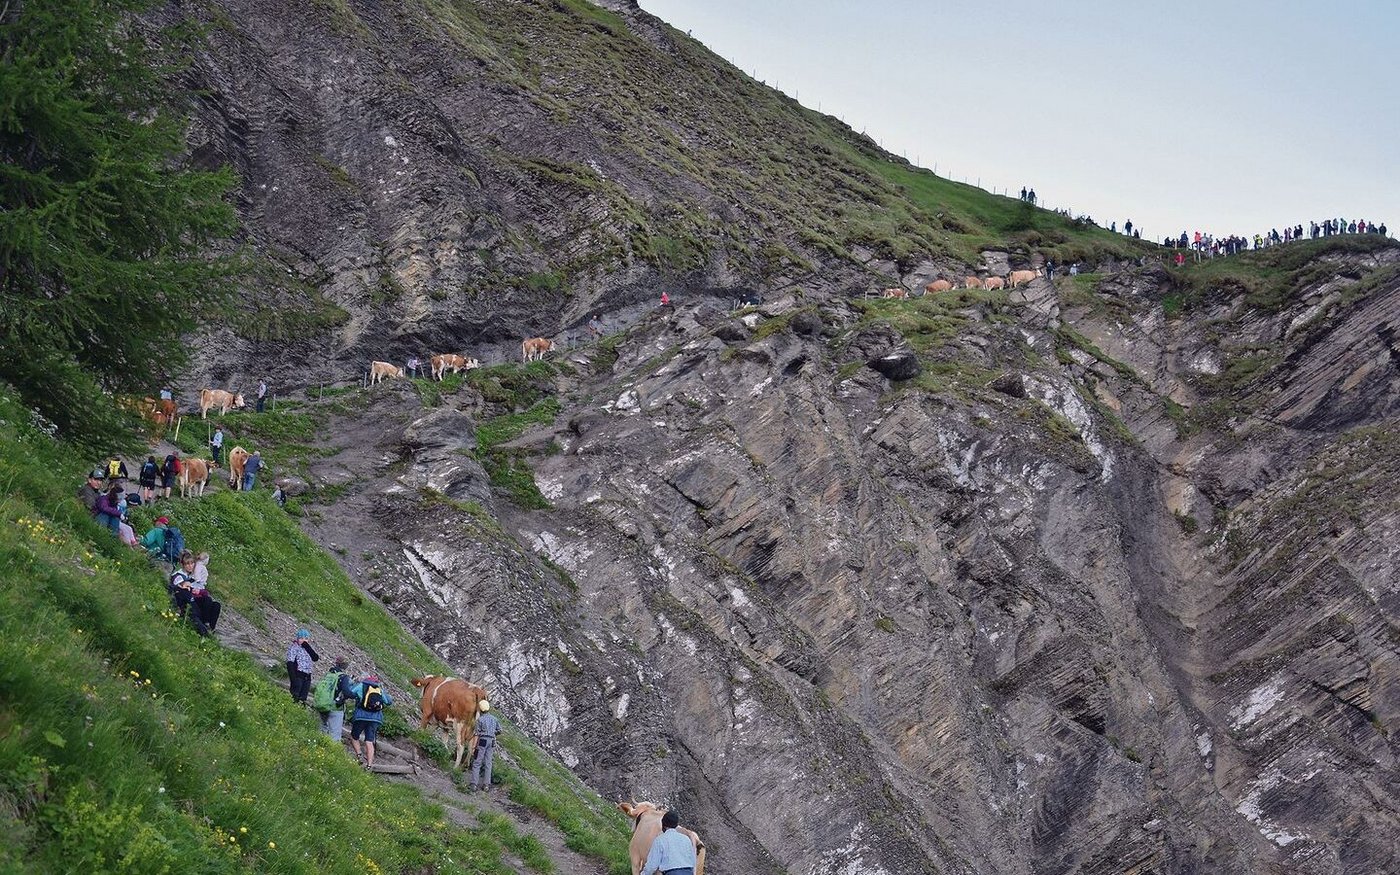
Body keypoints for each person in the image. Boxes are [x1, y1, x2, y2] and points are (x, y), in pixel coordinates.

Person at [347, 673, 393, 769]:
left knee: (354, 736)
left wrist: (351, 684)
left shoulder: (361, 686)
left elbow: (350, 692)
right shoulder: (378, 689)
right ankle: (369, 765)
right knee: (369, 741)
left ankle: (359, 755)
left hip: (361, 716)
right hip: (375, 719)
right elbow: (388, 701)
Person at [313, 656, 355, 741]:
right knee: (334, 734)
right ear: (345, 665)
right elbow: (346, 692)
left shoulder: (328, 674)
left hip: (323, 704)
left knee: (322, 729)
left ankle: (319, 746)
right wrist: (354, 695)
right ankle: (332, 751)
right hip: (335, 707)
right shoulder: (343, 677)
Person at [642, 810, 697, 875]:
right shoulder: (686, 839)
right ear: (676, 824)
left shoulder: (660, 840)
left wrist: (644, 873)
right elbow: (693, 862)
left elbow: (651, 866)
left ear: (663, 824)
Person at [469, 700, 501, 792]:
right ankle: (486, 785)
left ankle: (474, 784)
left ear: (480, 709)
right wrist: (493, 733)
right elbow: (499, 730)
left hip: (482, 740)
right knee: (488, 763)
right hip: (491, 741)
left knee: (477, 762)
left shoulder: (480, 720)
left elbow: (476, 734)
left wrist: (474, 747)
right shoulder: (494, 719)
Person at [286, 628, 319, 703]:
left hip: (307, 676)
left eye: (306, 638)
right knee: (295, 695)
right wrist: (293, 678)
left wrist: (308, 647)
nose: (303, 640)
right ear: (297, 638)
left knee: (303, 698)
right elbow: (290, 663)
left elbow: (315, 658)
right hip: (298, 675)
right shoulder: (294, 647)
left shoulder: (308, 648)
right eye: (301, 638)